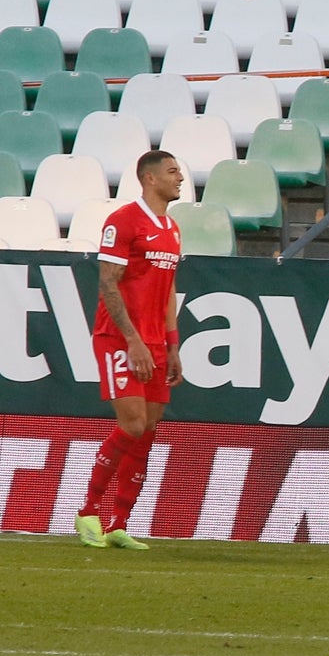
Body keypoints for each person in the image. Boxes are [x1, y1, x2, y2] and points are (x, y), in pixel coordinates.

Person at [75, 150, 184, 551]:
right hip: (119, 338)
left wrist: (172, 344)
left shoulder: (172, 229)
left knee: (148, 430)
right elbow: (108, 282)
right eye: (172, 171)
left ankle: (119, 523)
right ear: (150, 178)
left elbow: (168, 289)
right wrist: (134, 340)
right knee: (133, 424)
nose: (180, 178)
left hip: (155, 342)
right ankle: (88, 511)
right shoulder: (123, 221)